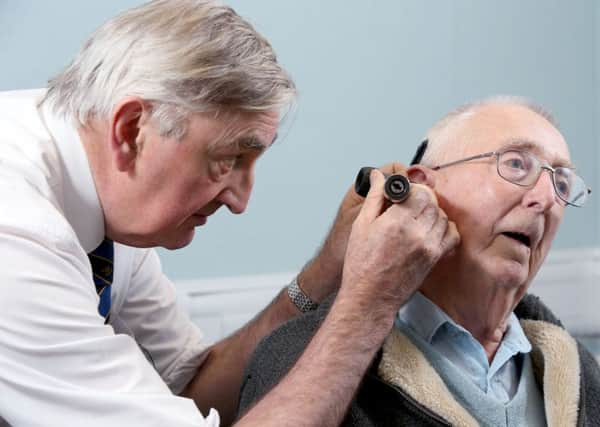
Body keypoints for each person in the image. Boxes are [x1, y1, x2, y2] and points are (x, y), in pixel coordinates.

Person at [0, 1, 460, 426]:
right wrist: (370, 302)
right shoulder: (17, 237)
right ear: (132, 129)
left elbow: (191, 388)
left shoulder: (109, 198)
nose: (240, 202)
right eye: (229, 160)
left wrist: (328, 271)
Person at [238, 98, 600, 426]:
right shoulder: (295, 360)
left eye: (562, 184)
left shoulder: (579, 373)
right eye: (517, 164)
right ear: (423, 190)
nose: (547, 199)